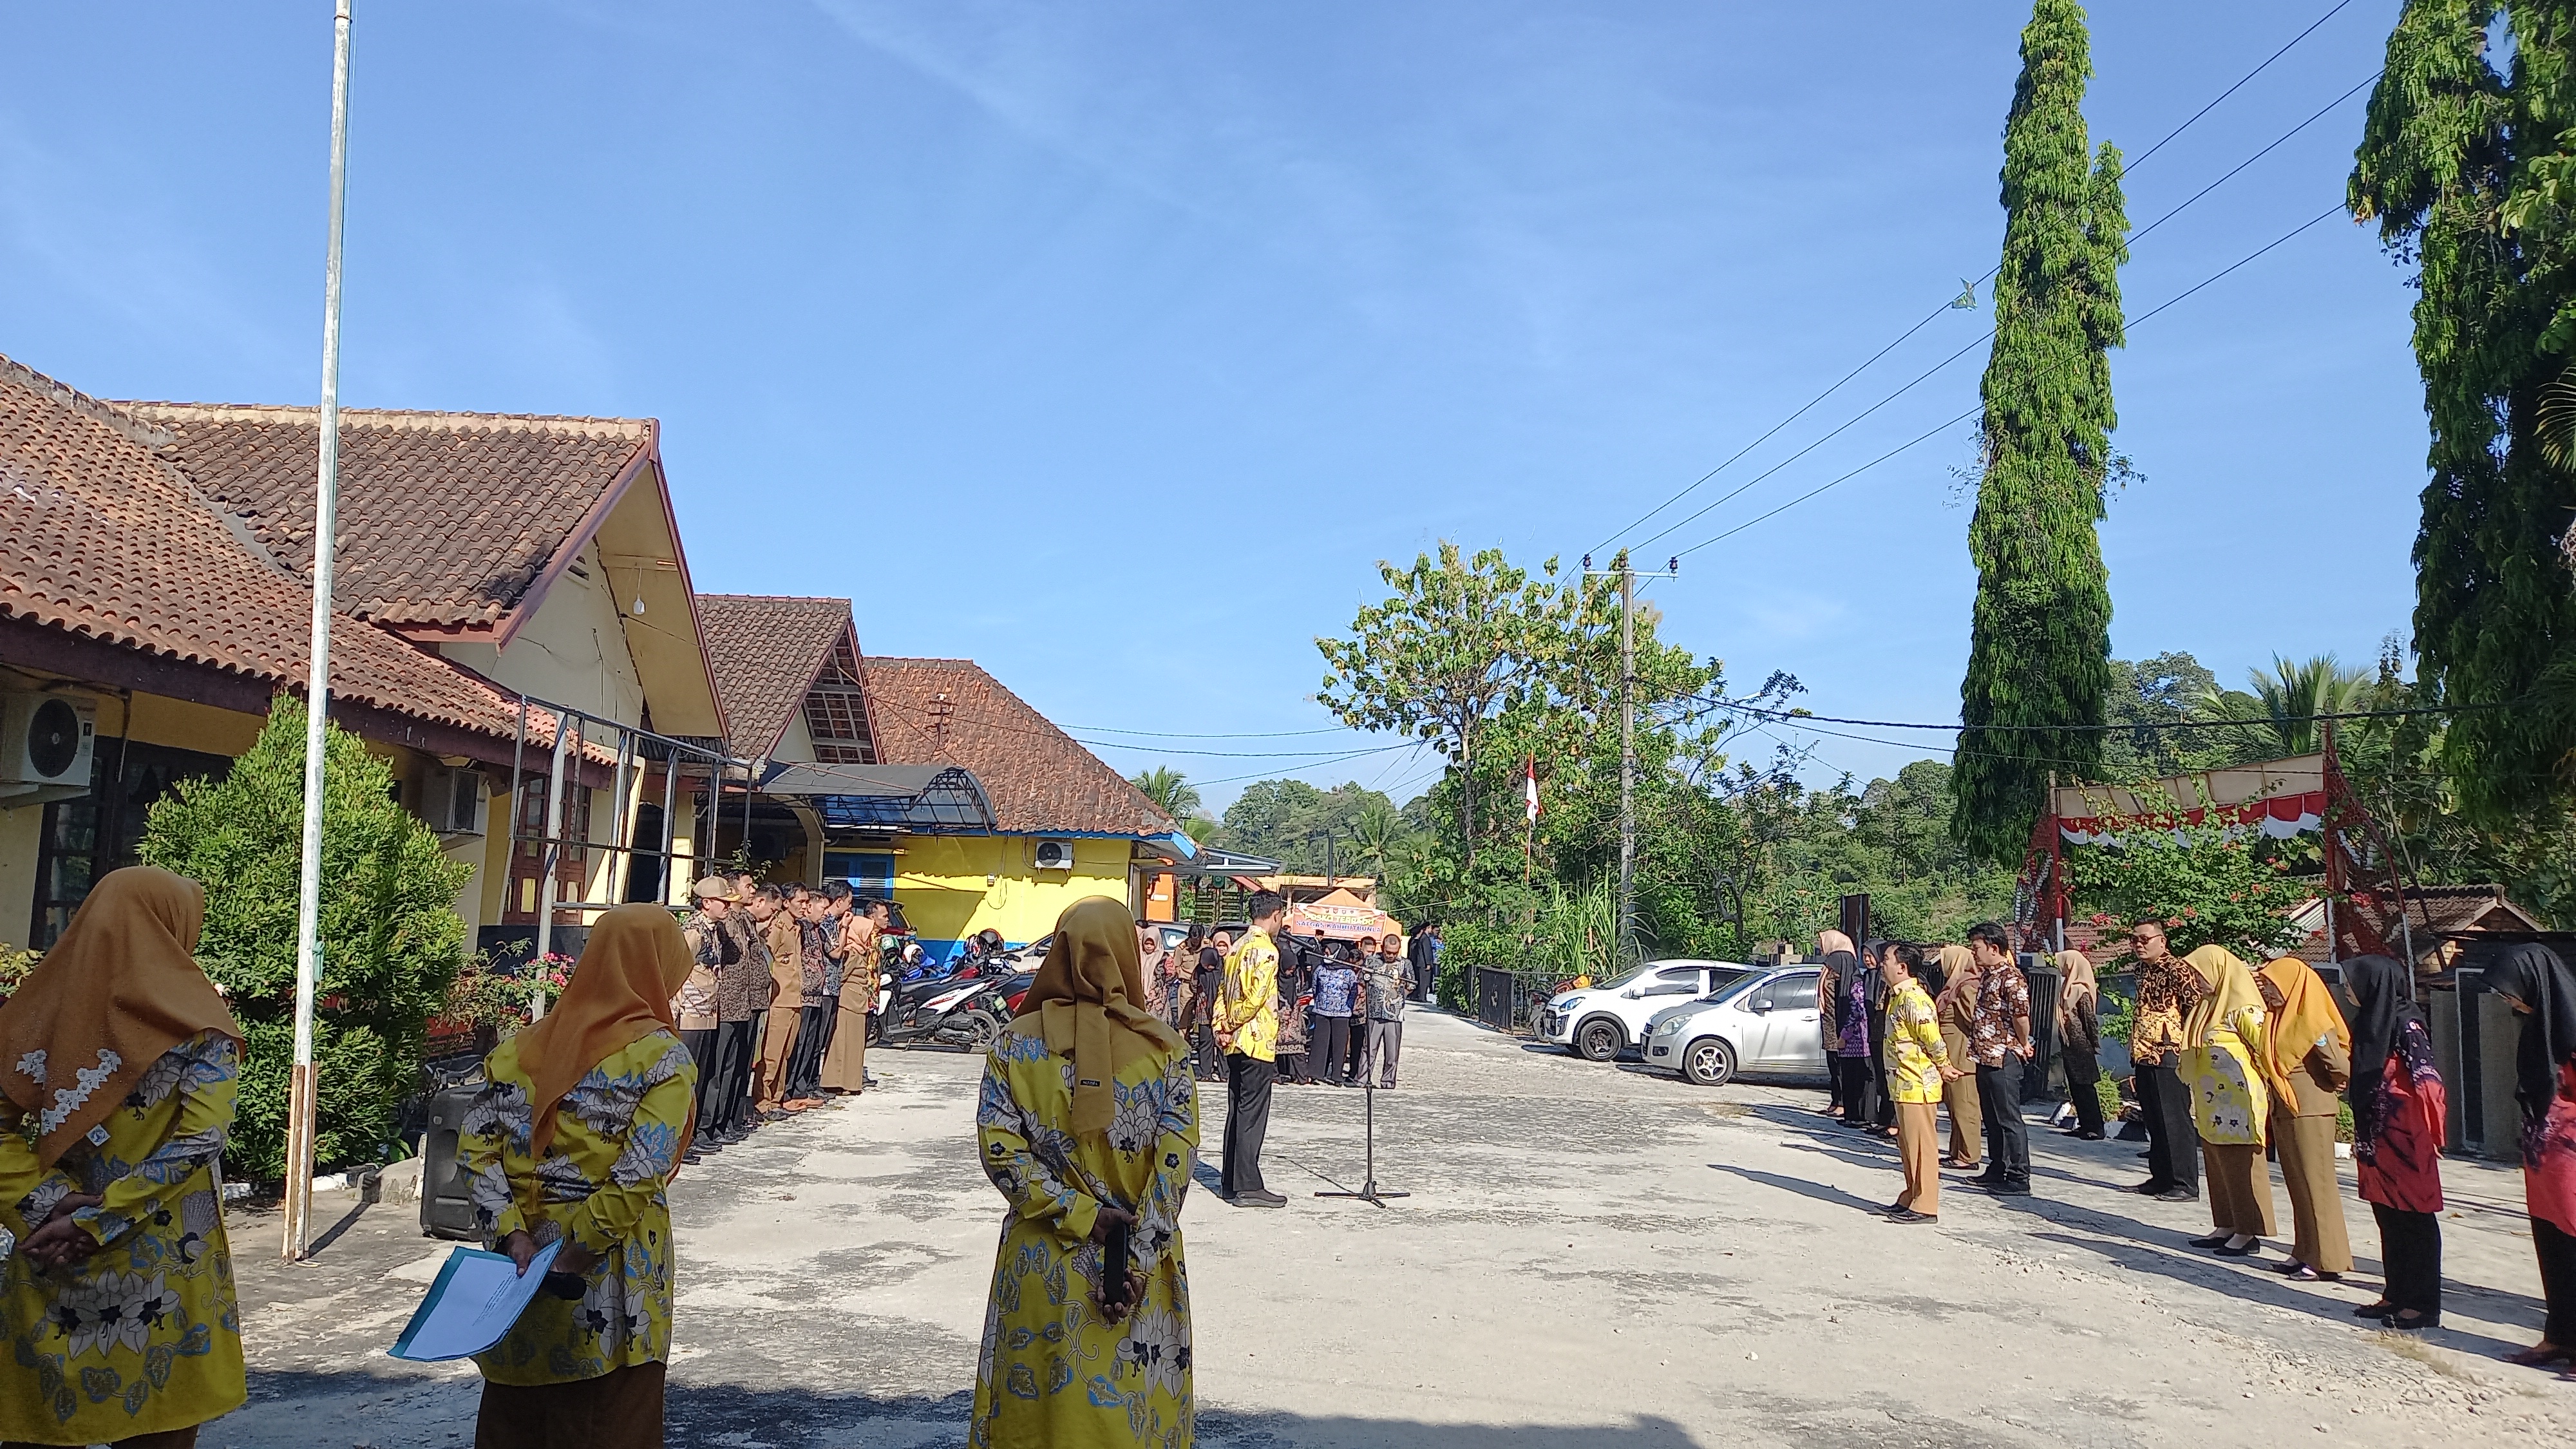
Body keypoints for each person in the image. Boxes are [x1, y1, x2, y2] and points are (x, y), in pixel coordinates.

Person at [0, 867, 246, 1449]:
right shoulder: (202, 1029)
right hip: (163, 1268)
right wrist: (99, 1221)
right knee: (157, 1428)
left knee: (45, 1427)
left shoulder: (39, 1014)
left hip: (52, 1254)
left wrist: (48, 1204)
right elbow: (201, 1141)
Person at [459, 902, 697, 1448]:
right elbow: (640, 1172)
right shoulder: (660, 1057)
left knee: (517, 1418)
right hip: (612, 1267)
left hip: (519, 1264)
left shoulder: (519, 1048)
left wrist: (513, 1237)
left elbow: (475, 1150)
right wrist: (572, 1256)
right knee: (609, 1419)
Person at [967, 897, 1195, 1448]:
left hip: (1045, 1259)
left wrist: (1080, 1214)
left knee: (1037, 1414)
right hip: (1138, 1271)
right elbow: (1174, 1165)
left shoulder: (1014, 1045)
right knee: (1132, 1414)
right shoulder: (1165, 1052)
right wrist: (1134, 1262)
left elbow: (1001, 1152)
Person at [2340, 954, 2445, 1331]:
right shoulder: (2370, 1022)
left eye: (2352, 982)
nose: (2347, 989)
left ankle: (2423, 1304)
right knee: (2387, 1215)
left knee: (2414, 1218)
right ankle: (2396, 1293)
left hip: (2407, 1138)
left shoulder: (2406, 1024)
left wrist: (2434, 1134)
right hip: (2377, 1137)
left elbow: (2428, 1081)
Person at [2492, 943, 2576, 1366]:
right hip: (2544, 1160)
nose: (2507, 1000)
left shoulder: (2573, 1029)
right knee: (2551, 1245)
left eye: (2510, 991)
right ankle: (2559, 1336)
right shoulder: (2538, 1029)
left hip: (2572, 1156)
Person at [2255, 953, 2353, 1282]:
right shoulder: (2279, 1019)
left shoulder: (2313, 1022)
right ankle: (2304, 1251)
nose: (2268, 991)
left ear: (2292, 985)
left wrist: (2334, 1084)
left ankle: (2328, 1259)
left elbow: (2339, 1065)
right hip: (2287, 1107)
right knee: (2298, 1184)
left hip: (2311, 1110)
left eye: (2272, 984)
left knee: (2317, 1185)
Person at [2180, 944, 2276, 1256]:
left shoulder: (2244, 1009)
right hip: (2212, 1103)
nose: (2196, 980)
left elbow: (2266, 1049)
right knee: (2218, 1164)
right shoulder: (2207, 1007)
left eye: (2200, 973)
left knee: (2239, 1165)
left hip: (2239, 1102)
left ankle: (2248, 1231)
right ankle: (2226, 1224)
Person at [1877, 942, 1960, 1224]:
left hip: (1918, 1084)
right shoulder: (1898, 996)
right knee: (1909, 1145)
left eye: (1887, 959)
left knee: (1923, 1146)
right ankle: (1912, 1195)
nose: (1882, 964)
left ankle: (1925, 1205)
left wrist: (1944, 1065)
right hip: (1903, 1082)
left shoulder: (1914, 999)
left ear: (1902, 967)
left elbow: (1932, 1039)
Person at [1213, 893, 1287, 1206]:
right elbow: (1256, 999)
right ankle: (1249, 1186)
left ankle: (1230, 1182)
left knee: (1237, 1110)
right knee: (1252, 1115)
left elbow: (1222, 991)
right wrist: (1231, 1023)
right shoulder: (1266, 950)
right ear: (1276, 915)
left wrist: (1220, 1025)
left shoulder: (1236, 947)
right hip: (1255, 1040)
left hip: (1234, 1042)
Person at [2125, 921, 2204, 1202]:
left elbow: (2195, 1008)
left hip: (2170, 1054)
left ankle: (2185, 1182)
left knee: (2174, 1119)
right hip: (2144, 1053)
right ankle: (2160, 1177)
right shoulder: (2141, 970)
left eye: (2144, 939)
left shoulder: (2177, 969)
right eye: (2134, 940)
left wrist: (2189, 1047)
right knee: (2154, 1118)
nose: (2139, 945)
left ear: (2162, 940)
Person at [1962, 923, 2034, 1195]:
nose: (1974, 953)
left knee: (2008, 1118)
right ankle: (1997, 1167)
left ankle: (2019, 1176)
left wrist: (2023, 1043)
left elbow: (2021, 1017)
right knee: (1991, 1117)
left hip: (2003, 1055)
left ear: (1994, 948)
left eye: (1977, 948)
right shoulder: (1988, 976)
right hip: (1984, 1054)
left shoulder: (2011, 978)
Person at [707, 880, 770, 1144]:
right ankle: (710, 1126)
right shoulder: (725, 922)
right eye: (747, 885)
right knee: (720, 1069)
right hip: (727, 1004)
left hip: (746, 1003)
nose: (753, 889)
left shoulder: (745, 920)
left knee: (738, 1067)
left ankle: (729, 1120)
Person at [676, 878, 732, 1159]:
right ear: (707, 903)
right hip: (690, 1013)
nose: (728, 907)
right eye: (724, 902)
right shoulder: (693, 932)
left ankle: (694, 1134)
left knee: (701, 1076)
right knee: (685, 1079)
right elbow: (677, 970)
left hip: (709, 1011)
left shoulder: (715, 930)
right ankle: (679, 1142)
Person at [822, 897, 881, 1094]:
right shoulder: (851, 952)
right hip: (848, 1002)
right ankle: (837, 1082)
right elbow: (842, 976)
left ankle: (849, 1083)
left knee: (853, 1045)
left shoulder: (860, 951)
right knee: (842, 1044)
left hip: (857, 1002)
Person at [1932, 943, 1983, 1170]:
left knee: (1966, 1107)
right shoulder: (1955, 985)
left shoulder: (1967, 986)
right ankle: (1958, 1152)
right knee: (1955, 1107)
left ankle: (1969, 1156)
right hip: (1951, 1054)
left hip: (1962, 1055)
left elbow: (1975, 1020)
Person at [755, 885, 804, 1116]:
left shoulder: (796, 928)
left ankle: (777, 1099)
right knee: (772, 1054)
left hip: (794, 996)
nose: (804, 907)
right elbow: (766, 958)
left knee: (785, 1053)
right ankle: (763, 1101)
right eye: (800, 902)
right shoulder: (777, 927)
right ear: (786, 903)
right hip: (779, 998)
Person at [784, 889, 837, 1107]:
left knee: (810, 1045)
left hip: (816, 995)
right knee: (798, 1045)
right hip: (803, 995)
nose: (825, 913)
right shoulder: (802, 928)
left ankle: (801, 1088)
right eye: (822, 908)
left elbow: (833, 951)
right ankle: (789, 1091)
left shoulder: (817, 930)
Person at [2057, 950, 2107, 1141]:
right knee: (2076, 1087)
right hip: (2070, 1045)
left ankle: (2096, 1128)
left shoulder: (2081, 991)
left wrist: (2094, 1043)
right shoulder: (2067, 988)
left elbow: (2089, 1019)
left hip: (2081, 1045)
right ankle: (2085, 1125)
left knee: (2086, 1087)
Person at [1834, 939, 1879, 1133]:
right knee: (1853, 1079)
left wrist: (1844, 1035)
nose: (1867, 960)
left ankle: (1863, 1116)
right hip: (1858, 1040)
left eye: (1871, 956)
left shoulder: (1858, 984)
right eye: (1865, 956)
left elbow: (1857, 1012)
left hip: (1859, 1041)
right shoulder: (1863, 980)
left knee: (1860, 1079)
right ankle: (1854, 1116)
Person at [1361, 935, 1412, 1088]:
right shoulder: (1371, 961)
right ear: (1382, 948)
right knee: (1369, 1049)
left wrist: (1399, 997)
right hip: (1375, 1012)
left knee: (1392, 1053)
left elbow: (1411, 985)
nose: (1391, 955)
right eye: (1388, 952)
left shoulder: (1405, 964)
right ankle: (1363, 1080)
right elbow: (1362, 981)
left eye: (1394, 953)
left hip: (1394, 1015)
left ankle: (1388, 1082)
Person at [1816, 930, 1855, 1119]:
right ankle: (1836, 1101)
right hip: (1831, 1022)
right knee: (1834, 1064)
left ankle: (1841, 1104)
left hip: (1839, 1023)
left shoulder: (1839, 958)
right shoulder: (1837, 960)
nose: (1820, 946)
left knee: (1839, 1066)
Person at [1311, 943, 1359, 1088]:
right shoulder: (1320, 969)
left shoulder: (1349, 973)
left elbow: (1353, 992)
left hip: (1342, 1013)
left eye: (1328, 953)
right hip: (1322, 1011)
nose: (1326, 956)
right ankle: (1316, 1074)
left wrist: (1347, 1007)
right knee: (1320, 1044)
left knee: (1339, 1045)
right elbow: (1315, 987)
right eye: (1325, 953)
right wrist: (1320, 1002)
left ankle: (1336, 1076)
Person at [1191, 929, 1229, 1081]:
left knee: (1222, 1042)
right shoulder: (1199, 971)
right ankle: (1205, 1073)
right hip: (1204, 1011)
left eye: (1211, 965)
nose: (1208, 968)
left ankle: (1224, 1073)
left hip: (1221, 1010)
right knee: (1205, 1042)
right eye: (1206, 965)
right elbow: (1194, 986)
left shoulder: (1223, 969)